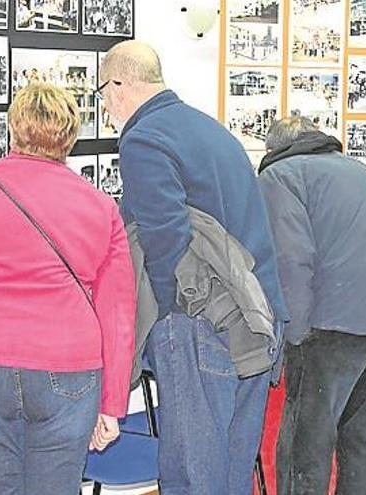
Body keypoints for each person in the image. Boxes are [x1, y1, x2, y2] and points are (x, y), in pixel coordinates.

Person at [0, 82, 136, 494]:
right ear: (70, 137)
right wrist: (112, 404)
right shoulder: (98, 205)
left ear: (13, 129)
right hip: (67, 364)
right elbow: (117, 313)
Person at [99, 41, 289, 494]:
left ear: (121, 87)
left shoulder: (143, 139)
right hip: (254, 325)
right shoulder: (212, 130)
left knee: (190, 476)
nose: (105, 111)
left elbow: (166, 246)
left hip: (199, 329)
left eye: (103, 94)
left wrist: (172, 321)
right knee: (230, 474)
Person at [258, 117, 366, 495]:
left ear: (272, 150)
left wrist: (295, 336)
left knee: (306, 447)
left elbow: (291, 260)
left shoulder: (280, 176)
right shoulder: (358, 169)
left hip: (337, 323)